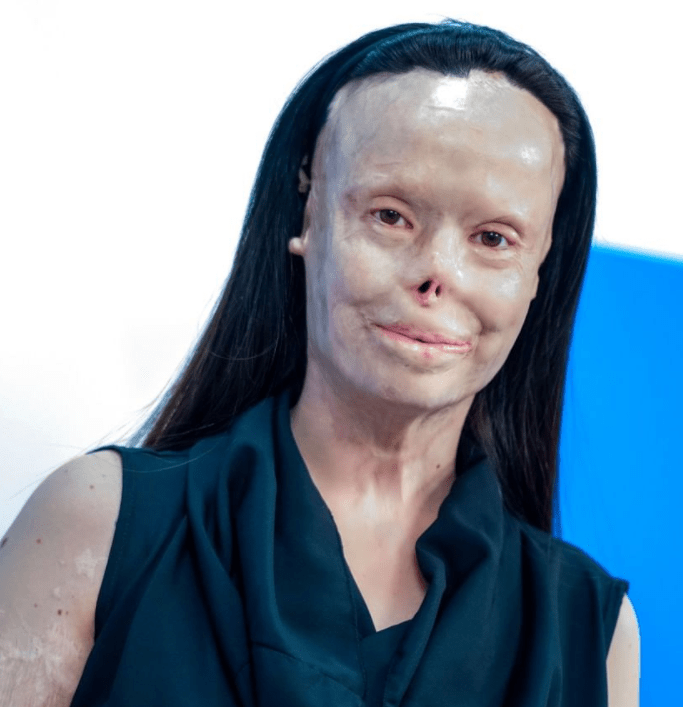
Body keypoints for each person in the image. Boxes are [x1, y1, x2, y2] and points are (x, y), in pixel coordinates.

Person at [0, 19, 639, 707]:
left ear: (540, 270)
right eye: (390, 216)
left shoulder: (590, 632)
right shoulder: (97, 522)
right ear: (308, 214)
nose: (437, 273)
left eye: (493, 238)